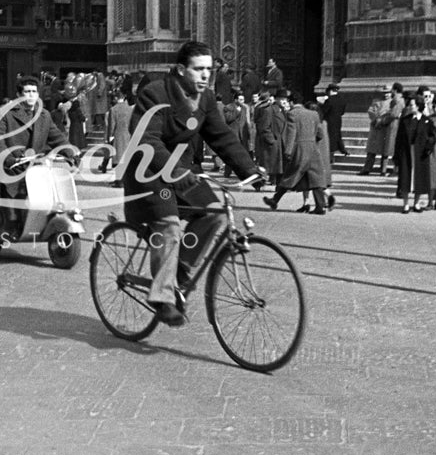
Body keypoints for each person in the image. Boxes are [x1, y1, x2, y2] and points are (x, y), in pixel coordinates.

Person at [123, 41, 263, 327]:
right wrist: (175, 169)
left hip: (182, 172)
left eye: (208, 70)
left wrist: (249, 169)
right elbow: (146, 140)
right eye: (198, 70)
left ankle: (181, 267)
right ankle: (161, 298)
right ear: (180, 69)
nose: (204, 76)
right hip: (150, 174)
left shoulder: (207, 99)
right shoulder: (156, 93)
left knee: (215, 211)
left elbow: (221, 136)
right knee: (170, 225)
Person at [0, 76, 79, 232]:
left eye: (34, 92)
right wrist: (7, 158)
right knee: (13, 198)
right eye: (27, 92)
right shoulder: (6, 114)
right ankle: (10, 225)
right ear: (19, 95)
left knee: (53, 187)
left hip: (36, 166)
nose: (31, 95)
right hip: (11, 167)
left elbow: (57, 137)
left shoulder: (44, 115)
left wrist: (72, 153)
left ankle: (42, 221)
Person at [262, 90, 328, 214]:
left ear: (291, 102)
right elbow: (320, 134)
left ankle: (275, 200)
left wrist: (288, 151)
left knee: (290, 175)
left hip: (299, 149)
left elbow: (291, 133)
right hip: (313, 148)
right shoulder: (314, 114)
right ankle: (320, 206)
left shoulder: (292, 114)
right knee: (316, 177)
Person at [394, 95, 435, 213]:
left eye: (412, 105)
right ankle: (406, 204)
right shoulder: (405, 120)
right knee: (405, 177)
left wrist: (428, 147)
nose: (410, 107)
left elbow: (432, 137)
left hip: (420, 154)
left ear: (418, 106)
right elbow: (399, 139)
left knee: (419, 178)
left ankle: (416, 203)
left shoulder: (426, 121)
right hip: (406, 153)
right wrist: (396, 156)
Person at [253, 89, 285, 187]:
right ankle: (258, 184)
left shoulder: (283, 110)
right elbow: (264, 127)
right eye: (282, 99)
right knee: (267, 167)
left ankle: (279, 187)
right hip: (271, 144)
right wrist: (271, 140)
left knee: (279, 167)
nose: (285, 102)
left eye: (286, 100)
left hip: (280, 142)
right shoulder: (268, 110)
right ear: (276, 99)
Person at [360, 86, 392, 175]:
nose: (386, 94)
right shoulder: (376, 101)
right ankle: (367, 169)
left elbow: (392, 114)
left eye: (388, 92)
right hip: (375, 128)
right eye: (385, 92)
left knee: (385, 151)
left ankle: (383, 170)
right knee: (371, 150)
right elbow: (370, 111)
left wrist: (382, 121)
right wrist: (376, 120)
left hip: (385, 128)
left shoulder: (392, 102)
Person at [379, 83, 405, 176]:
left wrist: (384, 121)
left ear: (395, 90)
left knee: (389, 148)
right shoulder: (402, 99)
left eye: (392, 90)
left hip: (393, 125)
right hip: (397, 124)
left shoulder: (397, 100)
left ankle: (384, 170)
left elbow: (393, 114)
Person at [320, 83, 347, 161]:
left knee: (329, 139)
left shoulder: (329, 100)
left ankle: (331, 158)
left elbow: (324, 111)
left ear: (329, 91)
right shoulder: (342, 100)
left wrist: (321, 104)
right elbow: (342, 112)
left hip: (328, 121)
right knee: (336, 136)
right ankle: (341, 149)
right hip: (338, 121)